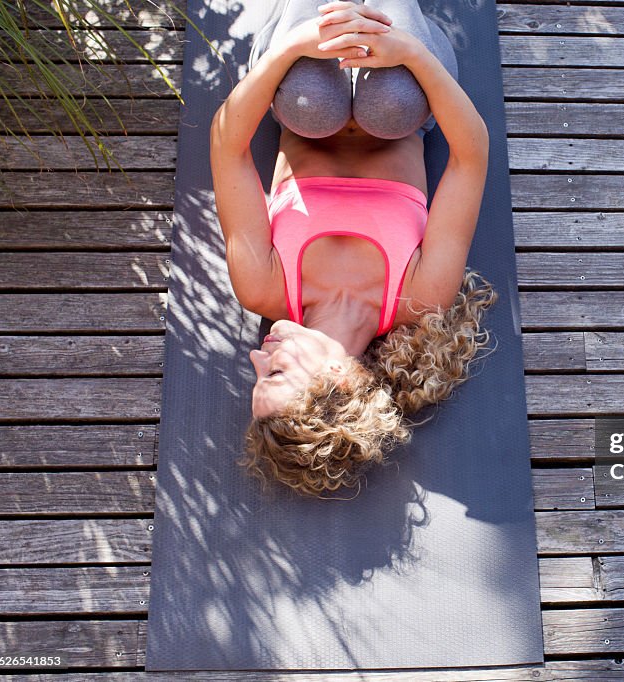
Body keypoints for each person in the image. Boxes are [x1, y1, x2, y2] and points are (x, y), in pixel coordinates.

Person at [209, 0, 496, 498]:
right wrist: (413, 55)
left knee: (309, 105)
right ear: (339, 379)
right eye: (272, 373)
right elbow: (470, 156)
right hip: (405, 93)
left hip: (300, 92)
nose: (257, 356)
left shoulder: (263, 287)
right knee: (392, 105)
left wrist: (290, 50)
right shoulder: (418, 297)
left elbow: (226, 146)